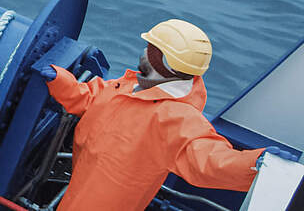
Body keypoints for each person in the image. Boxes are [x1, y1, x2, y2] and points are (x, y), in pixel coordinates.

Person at [40, 19, 276, 210]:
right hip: (82, 179)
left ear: (167, 64)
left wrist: (254, 164)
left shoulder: (178, 120)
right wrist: (60, 79)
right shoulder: (128, 86)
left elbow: (210, 160)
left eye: (153, 52)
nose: (143, 54)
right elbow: (89, 97)